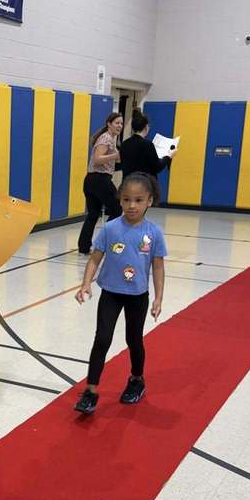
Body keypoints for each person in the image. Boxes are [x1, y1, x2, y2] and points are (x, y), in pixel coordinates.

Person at [73, 172, 166, 415]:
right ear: (119, 200)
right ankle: (90, 390)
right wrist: (86, 283)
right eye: (126, 200)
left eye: (138, 200)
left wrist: (158, 298)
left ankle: (137, 379)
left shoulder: (154, 233)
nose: (131, 205)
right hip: (111, 293)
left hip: (137, 295)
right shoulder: (110, 228)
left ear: (149, 201)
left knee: (133, 339)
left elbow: (157, 266)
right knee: (102, 338)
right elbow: (95, 259)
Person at [77, 111, 123, 255]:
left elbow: (110, 161)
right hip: (99, 180)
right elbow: (97, 159)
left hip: (91, 180)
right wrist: (115, 155)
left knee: (93, 214)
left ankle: (84, 247)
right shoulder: (106, 138)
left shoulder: (112, 139)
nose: (120, 126)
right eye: (117, 123)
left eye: (121, 123)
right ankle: (104, 243)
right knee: (117, 209)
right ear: (109, 124)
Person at [119, 109, 172, 180]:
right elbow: (157, 167)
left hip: (128, 184)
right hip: (144, 185)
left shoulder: (124, 144)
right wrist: (168, 156)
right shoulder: (147, 144)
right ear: (146, 127)